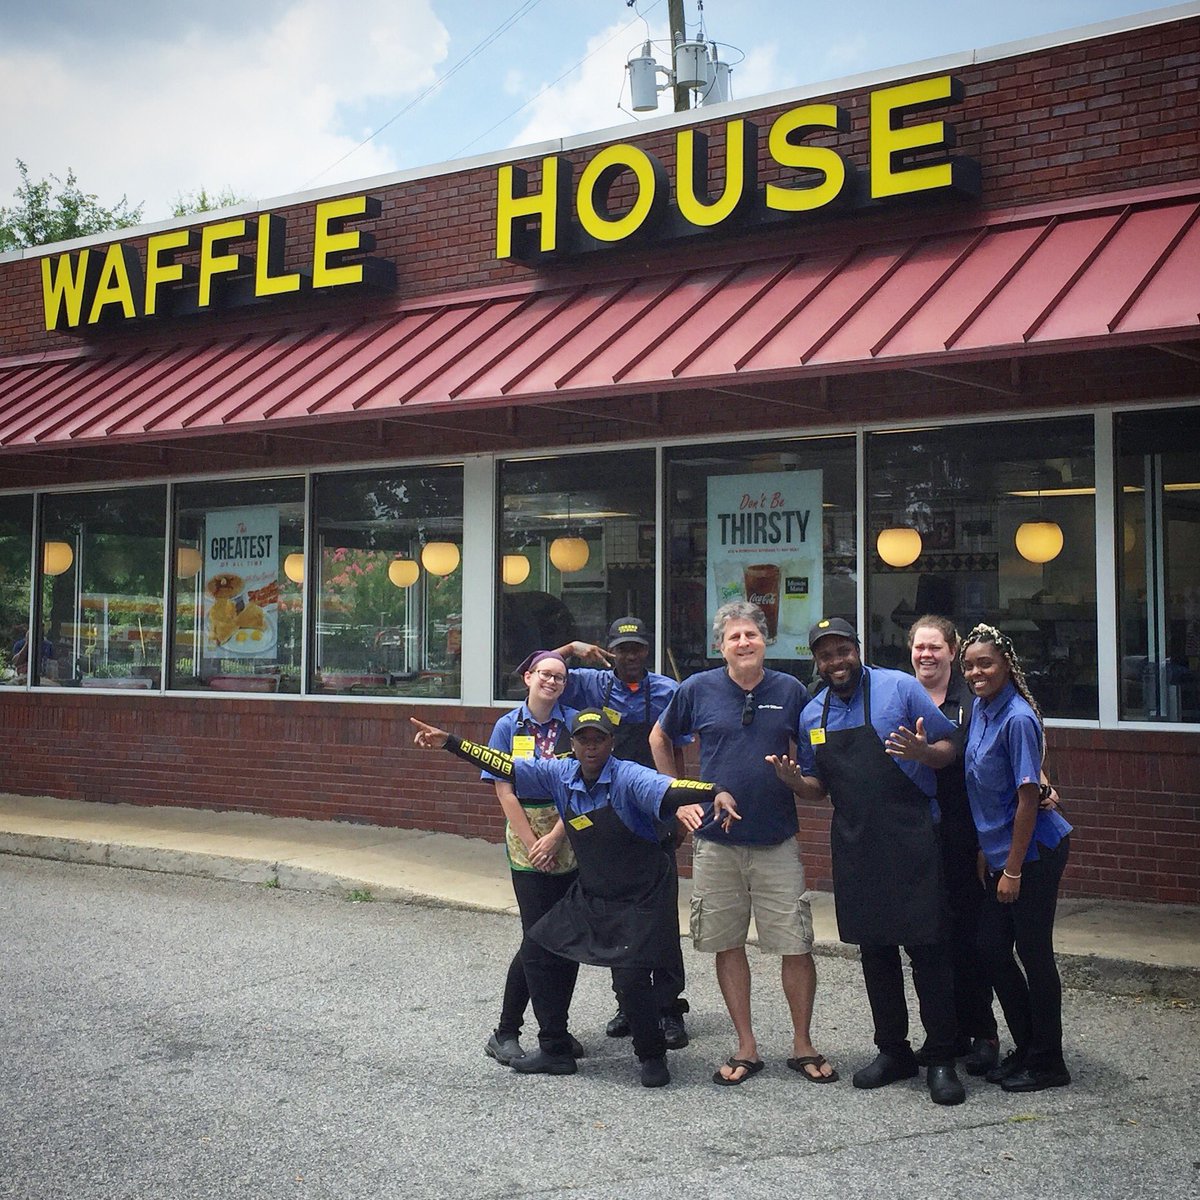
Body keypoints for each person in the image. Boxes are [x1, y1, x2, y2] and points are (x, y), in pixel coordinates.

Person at [410, 707, 740, 1089]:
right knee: (538, 947)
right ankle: (555, 1049)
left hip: (640, 896)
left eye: (599, 739)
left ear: (611, 743)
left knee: (631, 976)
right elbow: (507, 766)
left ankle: (651, 1055)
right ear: (574, 744)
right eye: (584, 740)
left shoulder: (628, 776)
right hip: (593, 892)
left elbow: (668, 788)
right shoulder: (560, 773)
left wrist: (715, 791)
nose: (591, 747)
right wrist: (450, 742)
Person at [771, 617, 968, 1106]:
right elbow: (818, 787)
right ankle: (893, 1051)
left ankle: (941, 1057)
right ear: (816, 661)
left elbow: (951, 747)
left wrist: (924, 752)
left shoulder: (900, 688)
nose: (836, 661)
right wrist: (797, 785)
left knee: (929, 951)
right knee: (876, 954)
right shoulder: (812, 715)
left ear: (858, 649)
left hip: (913, 837)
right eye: (826, 655)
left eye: (843, 650)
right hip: (857, 845)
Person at [650, 600, 837, 1087]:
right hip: (716, 843)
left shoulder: (791, 690)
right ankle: (746, 1046)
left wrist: (798, 780)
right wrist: (677, 796)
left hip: (777, 840)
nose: (743, 642)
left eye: (751, 634)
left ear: (765, 640)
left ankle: (803, 1044)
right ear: (720, 646)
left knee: (795, 944)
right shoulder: (697, 689)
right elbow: (659, 738)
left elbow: (813, 761)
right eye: (733, 636)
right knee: (727, 943)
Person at [554, 616, 691, 1049]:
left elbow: (675, 752)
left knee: (661, 916)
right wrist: (571, 648)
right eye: (622, 649)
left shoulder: (667, 691)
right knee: (616, 915)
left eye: (637, 649)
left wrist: (678, 808)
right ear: (610, 651)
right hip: (606, 818)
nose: (630, 656)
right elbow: (537, 672)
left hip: (652, 814)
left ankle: (669, 1008)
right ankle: (629, 1004)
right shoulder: (590, 683)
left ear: (646, 651)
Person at [960, 623, 1074, 1093]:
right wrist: (987, 851)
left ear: (1006, 664)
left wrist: (1012, 868)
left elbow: (1029, 800)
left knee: (1033, 953)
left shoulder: (1018, 718)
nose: (976, 672)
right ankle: (1027, 1047)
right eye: (969, 665)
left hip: (1034, 853)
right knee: (990, 948)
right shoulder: (982, 709)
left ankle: (1049, 1062)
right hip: (1000, 852)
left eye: (985, 663)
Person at [479, 650, 583, 1067]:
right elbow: (504, 790)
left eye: (560, 677)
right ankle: (506, 1031)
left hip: (567, 834)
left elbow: (582, 785)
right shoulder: (508, 726)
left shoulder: (574, 724)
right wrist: (533, 842)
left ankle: (558, 1027)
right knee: (537, 937)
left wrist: (556, 837)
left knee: (567, 938)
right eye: (545, 674)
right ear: (528, 677)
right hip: (526, 840)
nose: (552, 682)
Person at [908, 615, 1001, 1077]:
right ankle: (944, 1035)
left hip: (965, 837)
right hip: (914, 840)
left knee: (969, 940)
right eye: (919, 647)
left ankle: (982, 1033)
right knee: (927, 943)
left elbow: (1005, 748)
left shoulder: (973, 700)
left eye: (935, 647)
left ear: (952, 651)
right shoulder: (901, 697)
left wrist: (1042, 783)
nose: (926, 655)